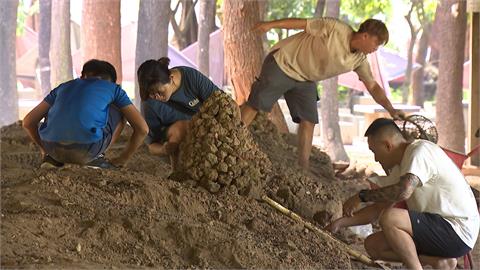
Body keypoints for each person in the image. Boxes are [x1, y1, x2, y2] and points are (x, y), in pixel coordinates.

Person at [241, 17, 405, 170]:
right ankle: (232, 136)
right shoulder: (335, 28)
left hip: (306, 78)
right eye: (376, 43)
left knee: (309, 120)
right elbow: (302, 24)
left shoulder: (359, 60)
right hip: (284, 62)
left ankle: (302, 168)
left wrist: (391, 109)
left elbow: (373, 86)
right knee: (256, 104)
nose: (375, 49)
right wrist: (270, 25)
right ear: (365, 36)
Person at [331, 118, 479, 270]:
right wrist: (339, 223)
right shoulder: (401, 168)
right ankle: (438, 262)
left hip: (457, 230)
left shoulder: (419, 151)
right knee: (374, 245)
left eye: (375, 151)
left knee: (390, 217)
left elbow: (403, 191)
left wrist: (362, 196)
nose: (375, 158)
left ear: (387, 145)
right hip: (438, 229)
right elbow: (377, 209)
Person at [23, 59, 148, 169]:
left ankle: (51, 159)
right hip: (88, 148)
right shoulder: (113, 89)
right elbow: (142, 129)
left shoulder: (63, 87)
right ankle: (97, 158)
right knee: (122, 109)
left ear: (82, 76)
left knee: (54, 108)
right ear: (112, 82)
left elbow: (28, 122)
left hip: (51, 147)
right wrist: (123, 159)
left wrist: (44, 149)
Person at [137, 57, 220, 168]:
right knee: (182, 127)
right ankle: (178, 173)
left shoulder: (190, 78)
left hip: (209, 128)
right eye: (152, 93)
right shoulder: (149, 103)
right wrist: (164, 149)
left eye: (159, 92)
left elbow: (223, 102)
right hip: (175, 139)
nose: (156, 96)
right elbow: (151, 146)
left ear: (171, 78)